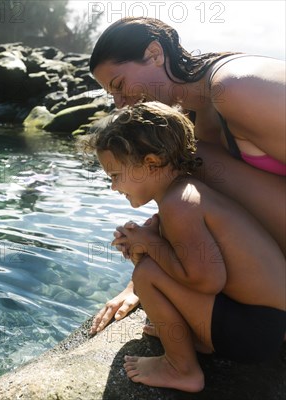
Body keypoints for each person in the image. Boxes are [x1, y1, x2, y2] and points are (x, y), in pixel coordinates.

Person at [86, 17, 286, 335]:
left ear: (154, 53)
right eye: (112, 96)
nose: (119, 104)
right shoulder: (185, 109)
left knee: (191, 157)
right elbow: (184, 202)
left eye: (120, 86)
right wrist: (147, 272)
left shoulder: (235, 88)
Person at [79, 102, 285, 392]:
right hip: (261, 323)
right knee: (149, 263)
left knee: (147, 274)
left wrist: (150, 243)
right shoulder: (183, 193)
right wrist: (147, 242)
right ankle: (195, 338)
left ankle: (181, 368)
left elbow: (207, 279)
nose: (113, 187)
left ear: (150, 163)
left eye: (114, 176)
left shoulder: (179, 205)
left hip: (252, 331)